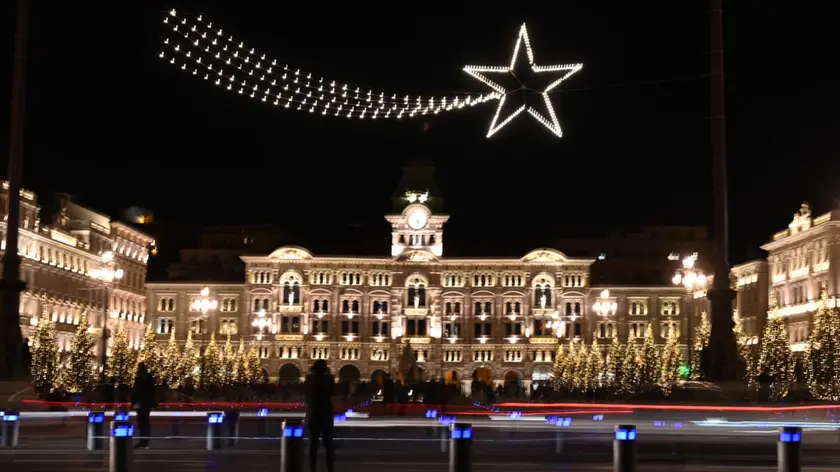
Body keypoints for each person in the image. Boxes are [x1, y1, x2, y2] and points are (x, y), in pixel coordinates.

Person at [305, 359, 336, 472]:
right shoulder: (328, 379)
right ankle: (330, 468)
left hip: (314, 413)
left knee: (313, 444)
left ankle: (312, 469)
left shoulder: (309, 379)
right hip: (326, 413)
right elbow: (334, 392)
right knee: (328, 445)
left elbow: (306, 393)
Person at [131, 362, 156, 449]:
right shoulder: (148, 378)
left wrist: (134, 402)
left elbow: (137, 391)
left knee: (142, 423)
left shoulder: (140, 378)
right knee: (144, 423)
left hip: (141, 404)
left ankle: (143, 441)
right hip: (145, 404)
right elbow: (151, 391)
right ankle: (144, 441)